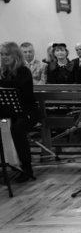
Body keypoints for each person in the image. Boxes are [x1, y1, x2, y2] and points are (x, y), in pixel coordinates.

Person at [0, 41, 36, 182]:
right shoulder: (4, 72)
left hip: (28, 112)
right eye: (1, 54)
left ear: (15, 55)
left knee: (17, 129)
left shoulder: (23, 70)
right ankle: (5, 163)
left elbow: (15, 85)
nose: (4, 57)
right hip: (10, 111)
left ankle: (27, 169)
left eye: (7, 54)